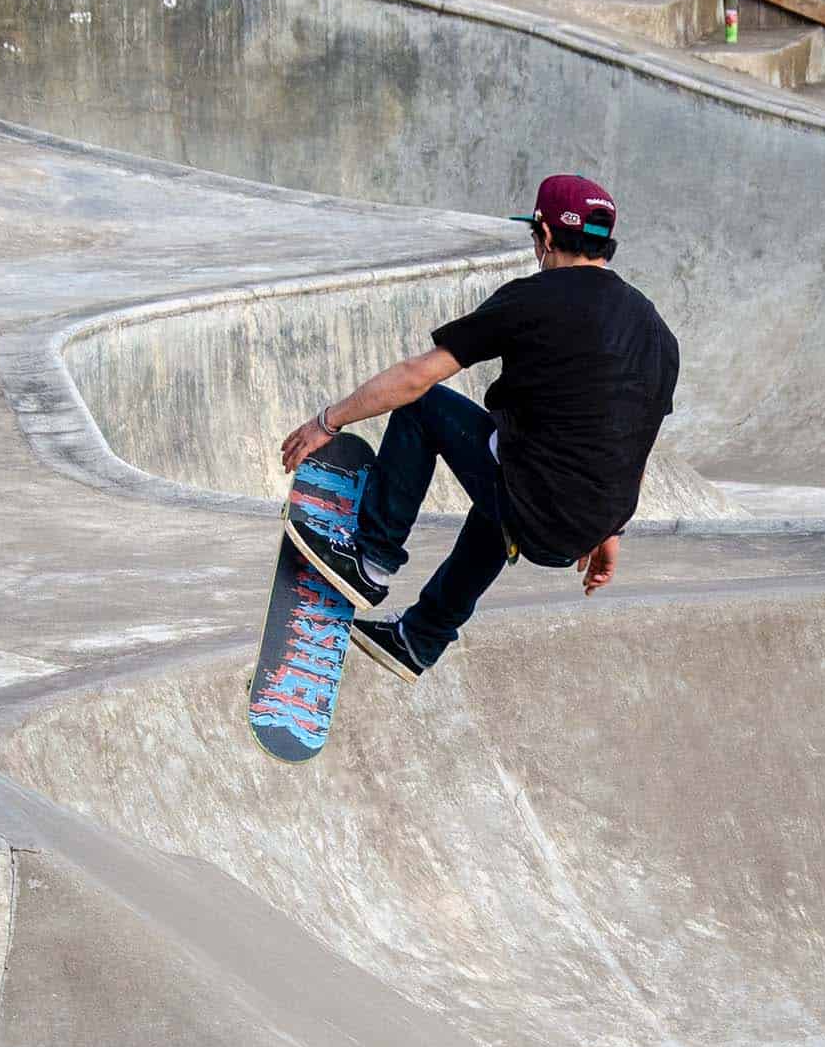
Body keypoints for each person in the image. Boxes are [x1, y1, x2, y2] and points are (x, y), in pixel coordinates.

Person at [277, 173, 681, 681]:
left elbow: (416, 377)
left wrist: (327, 422)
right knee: (509, 467)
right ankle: (420, 637)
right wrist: (610, 527)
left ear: (546, 235)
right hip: (584, 527)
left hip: (546, 507)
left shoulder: (536, 297)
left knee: (426, 407)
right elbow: (636, 444)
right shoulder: (658, 333)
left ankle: (371, 559)